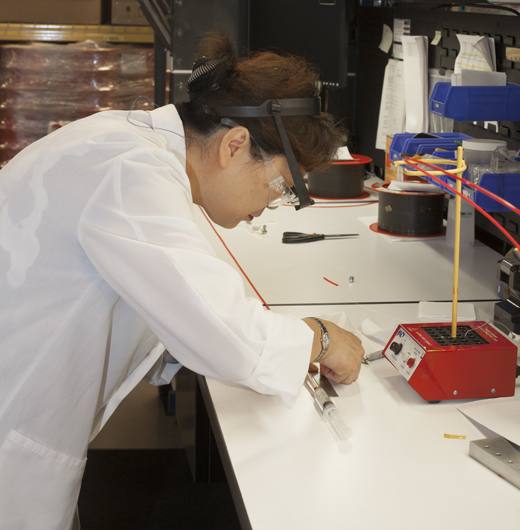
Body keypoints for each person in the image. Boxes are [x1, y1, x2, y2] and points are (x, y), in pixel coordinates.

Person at [0, 33, 364, 529]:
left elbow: (173, 293)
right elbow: (226, 335)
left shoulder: (129, 141)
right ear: (234, 145)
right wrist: (319, 338)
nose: (273, 205)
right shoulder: (132, 172)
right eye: (282, 186)